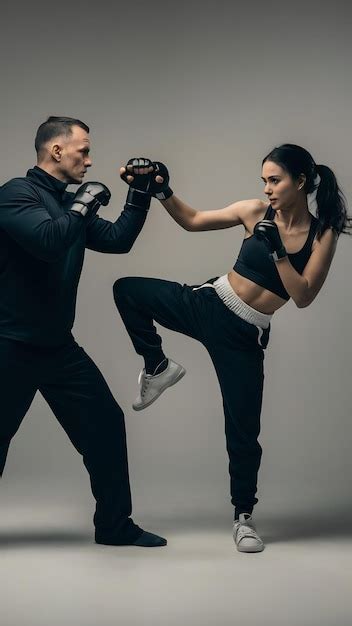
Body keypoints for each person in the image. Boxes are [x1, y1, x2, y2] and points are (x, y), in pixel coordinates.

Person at [113, 145, 350, 553]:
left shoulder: (323, 230)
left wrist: (277, 251)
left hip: (246, 335)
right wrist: (161, 189)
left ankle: (243, 517)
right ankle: (157, 366)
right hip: (209, 303)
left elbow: (304, 295)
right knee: (127, 291)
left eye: (275, 180)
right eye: (264, 181)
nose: (268, 189)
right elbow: (192, 221)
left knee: (243, 430)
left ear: (301, 181)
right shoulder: (255, 211)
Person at [0, 116, 167, 547]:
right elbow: (48, 241)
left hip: (58, 348)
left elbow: (118, 239)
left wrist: (140, 192)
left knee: (106, 426)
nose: (90, 161)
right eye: (83, 151)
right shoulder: (15, 195)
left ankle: (114, 526)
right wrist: (84, 203)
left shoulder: (69, 203)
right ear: (56, 151)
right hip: (9, 346)